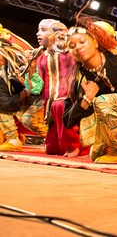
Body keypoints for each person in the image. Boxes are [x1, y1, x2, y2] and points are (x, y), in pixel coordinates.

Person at [63, 18, 117, 164]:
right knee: (96, 154)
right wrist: (87, 98)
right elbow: (68, 120)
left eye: (82, 42)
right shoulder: (79, 79)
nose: (78, 48)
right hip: (111, 112)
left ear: (96, 42)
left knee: (102, 102)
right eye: (72, 46)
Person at [35, 19, 85, 157]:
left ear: (57, 34)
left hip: (69, 98)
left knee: (60, 105)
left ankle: (75, 145)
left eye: (44, 30)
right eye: (39, 30)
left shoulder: (69, 52)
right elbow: (37, 83)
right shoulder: (41, 58)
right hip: (50, 100)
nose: (38, 34)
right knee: (52, 149)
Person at [0, 39, 46, 151]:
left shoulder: (21, 66)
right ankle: (12, 138)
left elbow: (36, 87)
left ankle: (59, 139)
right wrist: (24, 93)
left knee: (28, 119)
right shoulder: (3, 72)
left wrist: (27, 91)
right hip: (21, 100)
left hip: (41, 99)